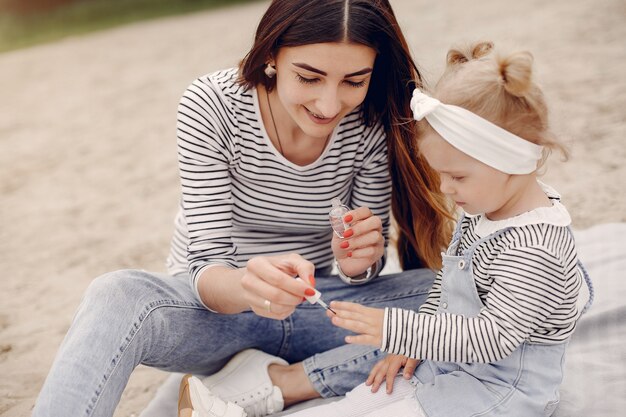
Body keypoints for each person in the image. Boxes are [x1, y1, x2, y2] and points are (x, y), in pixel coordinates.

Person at [32, 1, 453, 417]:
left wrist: (358, 261)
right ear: (271, 54)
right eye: (309, 77)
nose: (329, 105)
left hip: (317, 309)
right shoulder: (212, 104)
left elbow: (363, 272)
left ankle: (267, 387)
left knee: (467, 301)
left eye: (353, 81)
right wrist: (249, 286)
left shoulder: (372, 118)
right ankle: (236, 379)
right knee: (117, 294)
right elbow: (206, 270)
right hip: (217, 316)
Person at [180, 41, 595, 416]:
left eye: (458, 177)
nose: (446, 190)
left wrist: (397, 329)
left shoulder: (535, 247)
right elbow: (447, 288)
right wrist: (406, 345)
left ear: (512, 161)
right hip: (452, 368)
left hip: (498, 392)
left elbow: (492, 338)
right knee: (368, 396)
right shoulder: (486, 209)